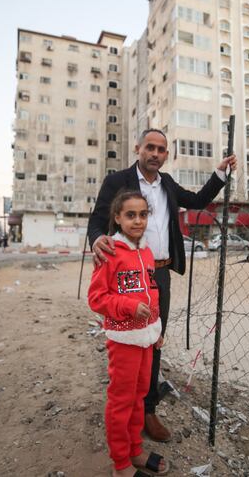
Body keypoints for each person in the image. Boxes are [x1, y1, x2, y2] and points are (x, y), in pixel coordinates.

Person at [88, 128, 237, 442]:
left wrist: (219, 175)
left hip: (160, 275)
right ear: (138, 148)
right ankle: (123, 406)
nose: (155, 154)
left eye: (162, 150)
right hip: (128, 274)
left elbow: (196, 201)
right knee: (127, 341)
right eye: (150, 147)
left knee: (153, 341)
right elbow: (98, 219)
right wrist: (97, 239)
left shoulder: (167, 183)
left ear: (166, 155)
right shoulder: (117, 181)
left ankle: (147, 411)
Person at [88, 191, 170, 477]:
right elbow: (97, 299)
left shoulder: (147, 252)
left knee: (140, 395)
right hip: (123, 341)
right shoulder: (109, 252)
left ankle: (135, 450)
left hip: (146, 339)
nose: (138, 221)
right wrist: (129, 306)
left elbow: (153, 293)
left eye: (143, 214)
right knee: (121, 400)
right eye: (131, 215)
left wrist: (155, 329)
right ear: (118, 218)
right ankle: (120, 463)